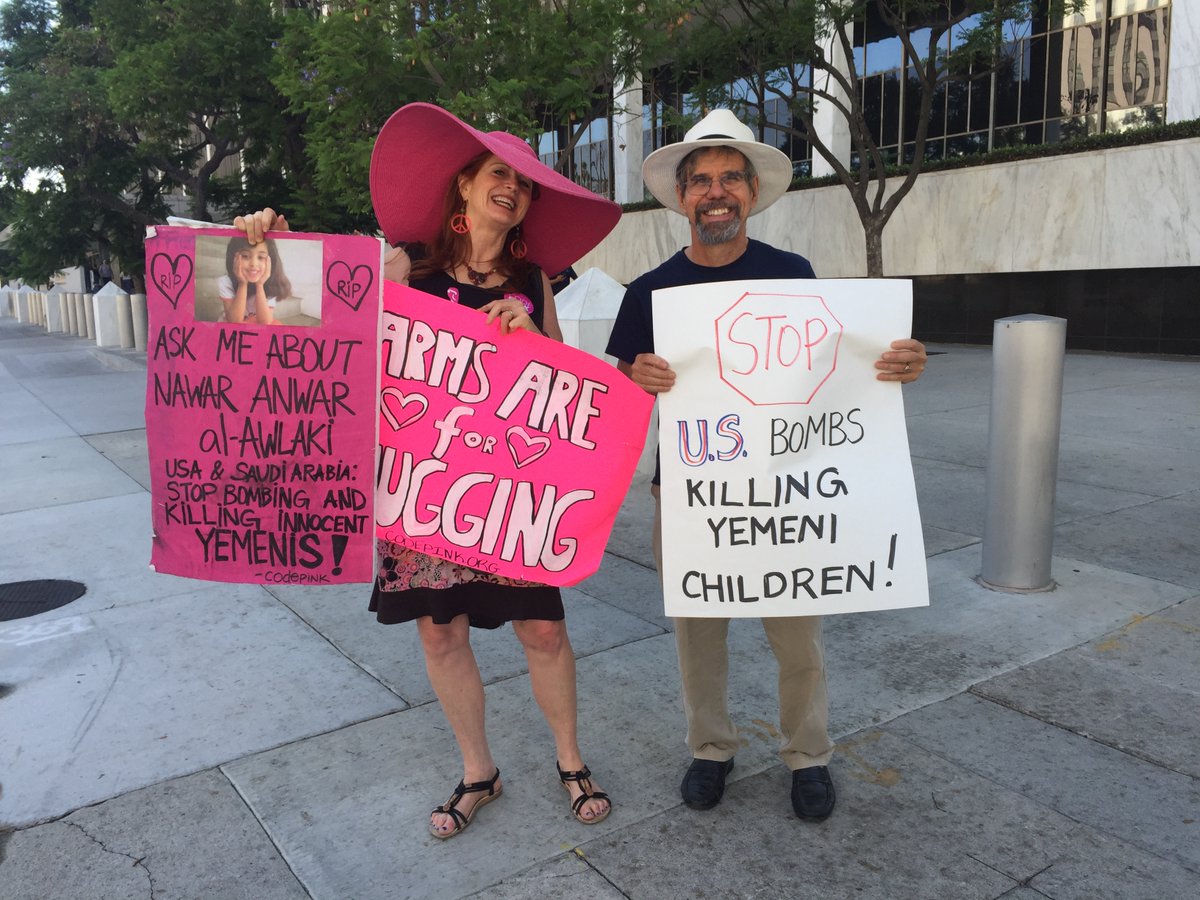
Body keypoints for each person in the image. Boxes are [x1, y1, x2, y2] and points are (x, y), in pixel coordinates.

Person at [235, 102, 621, 839]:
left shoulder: (534, 278)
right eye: (500, 174)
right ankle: (480, 771)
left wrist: (536, 339)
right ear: (467, 186)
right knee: (441, 635)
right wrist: (273, 250)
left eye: (526, 184)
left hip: (509, 491)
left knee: (542, 631)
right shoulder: (403, 265)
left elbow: (562, 390)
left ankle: (571, 761)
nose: (514, 189)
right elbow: (312, 326)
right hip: (418, 487)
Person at [605, 108, 927, 822]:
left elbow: (845, 368)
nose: (715, 192)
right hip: (693, 493)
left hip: (784, 491)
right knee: (698, 632)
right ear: (682, 197)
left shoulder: (794, 276)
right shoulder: (648, 291)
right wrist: (639, 379)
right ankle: (710, 748)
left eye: (729, 179)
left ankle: (808, 756)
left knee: (797, 635)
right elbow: (618, 393)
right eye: (701, 181)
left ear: (749, 193)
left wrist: (901, 362)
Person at [219, 235, 292, 325]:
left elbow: (265, 322)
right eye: (245, 256)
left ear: (271, 262)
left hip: (256, 321)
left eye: (261, 257)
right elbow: (235, 320)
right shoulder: (226, 282)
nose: (253, 264)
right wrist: (242, 284)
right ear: (233, 259)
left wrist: (260, 285)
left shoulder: (272, 284)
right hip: (233, 322)